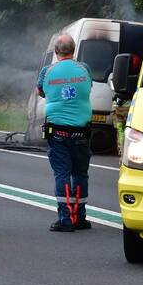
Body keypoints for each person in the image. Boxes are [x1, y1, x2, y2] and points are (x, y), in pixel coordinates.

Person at [37, 34, 94, 232]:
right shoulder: (84, 68)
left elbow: (41, 92)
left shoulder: (47, 71)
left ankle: (65, 219)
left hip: (58, 132)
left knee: (62, 174)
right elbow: (88, 89)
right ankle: (79, 217)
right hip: (82, 133)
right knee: (80, 174)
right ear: (74, 50)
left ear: (55, 51)